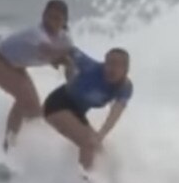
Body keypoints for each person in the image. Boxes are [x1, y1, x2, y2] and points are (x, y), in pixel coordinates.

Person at [0, 0, 73, 151]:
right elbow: (48, 51)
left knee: (35, 111)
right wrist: (67, 56)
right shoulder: (36, 34)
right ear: (43, 16)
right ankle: (8, 146)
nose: (51, 22)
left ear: (64, 21)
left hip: (13, 63)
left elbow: (68, 65)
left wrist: (72, 86)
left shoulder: (65, 40)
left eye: (57, 18)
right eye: (48, 16)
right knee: (24, 98)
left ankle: (29, 148)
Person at [43, 45, 133, 176]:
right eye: (109, 63)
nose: (111, 68)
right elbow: (68, 48)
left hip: (76, 112)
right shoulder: (91, 67)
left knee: (99, 149)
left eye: (117, 65)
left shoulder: (125, 88)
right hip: (57, 104)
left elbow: (115, 114)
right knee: (88, 143)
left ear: (126, 69)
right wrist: (59, 61)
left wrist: (100, 135)